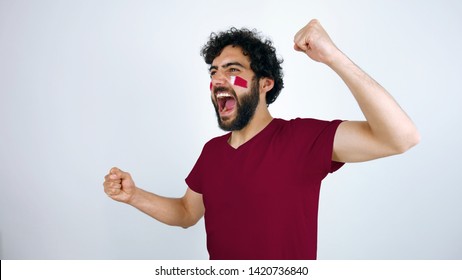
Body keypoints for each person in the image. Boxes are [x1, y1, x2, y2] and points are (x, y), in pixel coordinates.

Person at [103, 19, 420, 260]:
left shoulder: (302, 139)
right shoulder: (212, 153)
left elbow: (400, 137)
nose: (218, 80)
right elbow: (187, 212)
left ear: (265, 83)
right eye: (214, 72)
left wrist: (333, 57)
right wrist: (134, 195)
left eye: (233, 70)